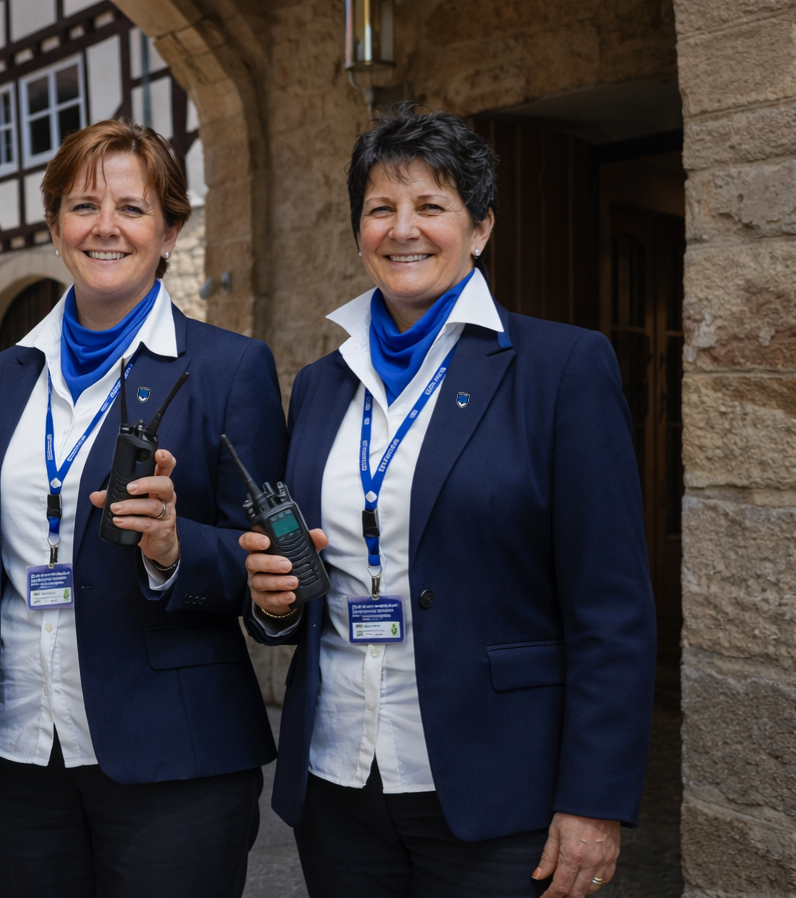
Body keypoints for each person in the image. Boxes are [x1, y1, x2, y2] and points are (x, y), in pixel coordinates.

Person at [243, 107, 657, 898]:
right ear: (358, 228)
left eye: (431, 207)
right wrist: (274, 603)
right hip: (340, 782)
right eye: (380, 209)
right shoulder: (323, 385)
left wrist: (594, 800)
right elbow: (302, 583)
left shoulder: (561, 368)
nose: (404, 230)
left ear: (480, 229)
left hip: (497, 789)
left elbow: (614, 608)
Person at [0, 119, 314, 897]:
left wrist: (174, 548)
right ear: (55, 227)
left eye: (133, 210)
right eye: (83, 205)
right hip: (22, 754)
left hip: (176, 757)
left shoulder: (229, 368)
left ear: (170, 232)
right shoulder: (4, 377)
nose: (106, 227)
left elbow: (270, 571)